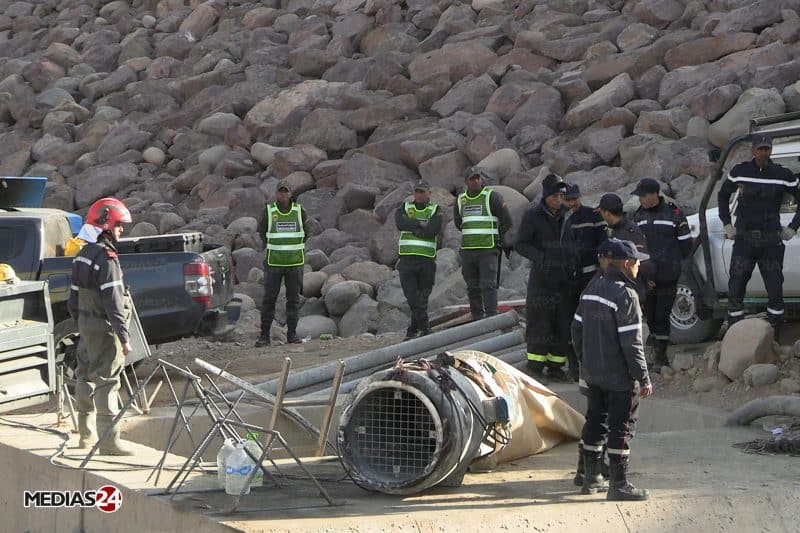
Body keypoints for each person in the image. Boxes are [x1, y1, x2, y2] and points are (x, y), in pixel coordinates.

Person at [572, 239, 652, 501]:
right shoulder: (626, 295)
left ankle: (590, 477)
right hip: (619, 378)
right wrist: (643, 377)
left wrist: (586, 360)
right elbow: (632, 343)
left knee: (596, 420)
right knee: (622, 428)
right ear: (627, 264)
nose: (639, 267)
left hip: (594, 374)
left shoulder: (592, 287)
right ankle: (618, 485)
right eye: (638, 262)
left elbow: (576, 329)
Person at [68, 197, 135, 455]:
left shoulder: (82, 256)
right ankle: (109, 441)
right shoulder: (107, 260)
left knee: (85, 375)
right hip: (104, 329)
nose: (121, 230)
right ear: (106, 225)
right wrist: (124, 336)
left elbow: (73, 297)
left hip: (86, 325)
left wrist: (80, 324)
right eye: (119, 226)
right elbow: (114, 302)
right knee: (108, 380)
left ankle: (86, 435)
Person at [718, 133, 800, 342]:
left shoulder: (783, 174)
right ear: (753, 150)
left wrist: (793, 227)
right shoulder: (740, 171)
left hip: (771, 241)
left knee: (774, 287)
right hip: (744, 240)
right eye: (760, 148)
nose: (764, 152)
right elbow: (722, 194)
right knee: (736, 285)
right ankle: (735, 335)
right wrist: (726, 222)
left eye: (767, 148)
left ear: (771, 150)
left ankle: (773, 337)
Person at [516, 174, 576, 382]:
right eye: (555, 195)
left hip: (564, 279)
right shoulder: (533, 216)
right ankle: (535, 366)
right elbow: (521, 244)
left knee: (561, 323)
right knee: (539, 322)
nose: (558, 199)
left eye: (561, 195)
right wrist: (541, 258)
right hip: (542, 280)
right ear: (546, 195)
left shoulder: (568, 215)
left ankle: (556, 367)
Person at [631, 178, 692, 370]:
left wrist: (671, 265)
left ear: (655, 194)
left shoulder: (674, 214)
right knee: (649, 314)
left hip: (667, 274)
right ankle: (654, 353)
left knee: (662, 315)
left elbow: (686, 244)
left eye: (643, 195)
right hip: (646, 275)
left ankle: (660, 357)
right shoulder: (639, 216)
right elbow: (634, 244)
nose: (640, 199)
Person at [453, 168, 512, 320]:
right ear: (466, 182)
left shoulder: (492, 197)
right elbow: (459, 223)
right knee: (472, 287)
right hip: (468, 251)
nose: (476, 181)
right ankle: (477, 318)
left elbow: (507, 221)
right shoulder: (460, 200)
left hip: (488, 250)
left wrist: (498, 237)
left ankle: (491, 317)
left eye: (478, 178)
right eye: (472, 179)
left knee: (488, 285)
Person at [256, 180, 309, 347]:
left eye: (286, 191)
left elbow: (306, 232)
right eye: (280, 191)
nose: (283, 194)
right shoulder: (269, 211)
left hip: (295, 263)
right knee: (269, 299)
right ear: (276, 193)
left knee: (293, 300)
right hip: (274, 263)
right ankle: (264, 336)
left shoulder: (300, 211)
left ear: (290, 194)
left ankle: (292, 335)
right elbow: (262, 231)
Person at [564, 183, 607, 380]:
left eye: (574, 199)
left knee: (591, 320)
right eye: (568, 200)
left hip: (590, 276)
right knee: (573, 321)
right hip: (570, 278)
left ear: (580, 197)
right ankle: (575, 366)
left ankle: (593, 365)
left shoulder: (593, 216)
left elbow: (603, 244)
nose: (572, 203)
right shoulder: (564, 219)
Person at [395, 180, 443, 340]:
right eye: (417, 191)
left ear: (429, 192)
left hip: (426, 261)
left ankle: (412, 331)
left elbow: (432, 230)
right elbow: (400, 223)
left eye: (423, 191)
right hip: (407, 261)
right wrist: (419, 223)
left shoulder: (435, 209)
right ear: (413, 193)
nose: (420, 194)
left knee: (422, 298)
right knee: (412, 296)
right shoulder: (405, 207)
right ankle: (426, 329)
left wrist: (413, 227)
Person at [598, 193, 652, 298]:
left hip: (632, 290)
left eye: (602, 212)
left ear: (607, 213)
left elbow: (644, 261)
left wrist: (645, 283)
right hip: (617, 289)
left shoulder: (630, 231)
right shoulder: (613, 229)